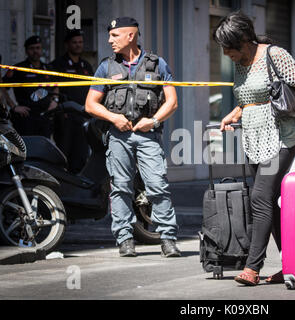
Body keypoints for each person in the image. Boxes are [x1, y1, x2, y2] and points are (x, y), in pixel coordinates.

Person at [213, 11, 295, 286]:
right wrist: (234, 113)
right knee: (269, 202)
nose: (226, 54)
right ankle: (293, 264)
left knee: (259, 198)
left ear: (245, 40)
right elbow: (251, 97)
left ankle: (252, 267)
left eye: (229, 48)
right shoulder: (240, 63)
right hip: (253, 139)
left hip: (282, 138)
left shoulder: (275, 55)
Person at [85, 17, 181, 258]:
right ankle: (125, 239)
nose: (109, 40)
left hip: (148, 135)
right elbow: (90, 104)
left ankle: (168, 238)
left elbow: (172, 102)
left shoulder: (157, 64)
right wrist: (113, 118)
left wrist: (155, 120)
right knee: (120, 188)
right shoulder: (106, 67)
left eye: (114, 35)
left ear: (131, 35)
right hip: (118, 136)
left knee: (157, 186)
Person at [51, 29, 94, 173]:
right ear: (67, 45)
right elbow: (52, 89)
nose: (78, 45)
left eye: (80, 42)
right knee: (64, 153)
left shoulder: (86, 66)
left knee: (81, 154)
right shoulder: (58, 64)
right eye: (74, 42)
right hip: (65, 117)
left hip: (83, 115)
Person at [2, 36, 58, 138]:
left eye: (38, 48)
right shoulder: (18, 69)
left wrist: (55, 100)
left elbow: (56, 85)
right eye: (32, 48)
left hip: (45, 116)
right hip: (27, 117)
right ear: (26, 51)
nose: (35, 51)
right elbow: (2, 86)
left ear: (41, 49)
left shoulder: (48, 68)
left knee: (44, 150)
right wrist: (13, 106)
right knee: (28, 150)